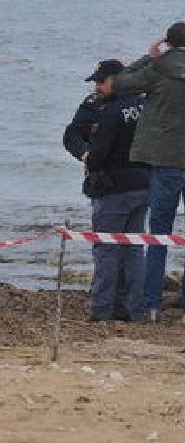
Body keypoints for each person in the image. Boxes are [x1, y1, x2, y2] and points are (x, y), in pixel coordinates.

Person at [114, 23, 185, 321]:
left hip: (166, 162)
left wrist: (149, 56)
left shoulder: (158, 69)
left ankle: (152, 303)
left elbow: (120, 84)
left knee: (158, 234)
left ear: (168, 42)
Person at [71, 59, 148, 322]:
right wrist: (82, 150)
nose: (97, 86)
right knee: (134, 248)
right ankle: (134, 309)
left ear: (114, 80)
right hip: (142, 183)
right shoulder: (142, 103)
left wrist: (89, 156)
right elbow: (71, 134)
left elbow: (99, 156)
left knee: (107, 249)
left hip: (113, 187)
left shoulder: (111, 111)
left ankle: (103, 310)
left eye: (101, 81)